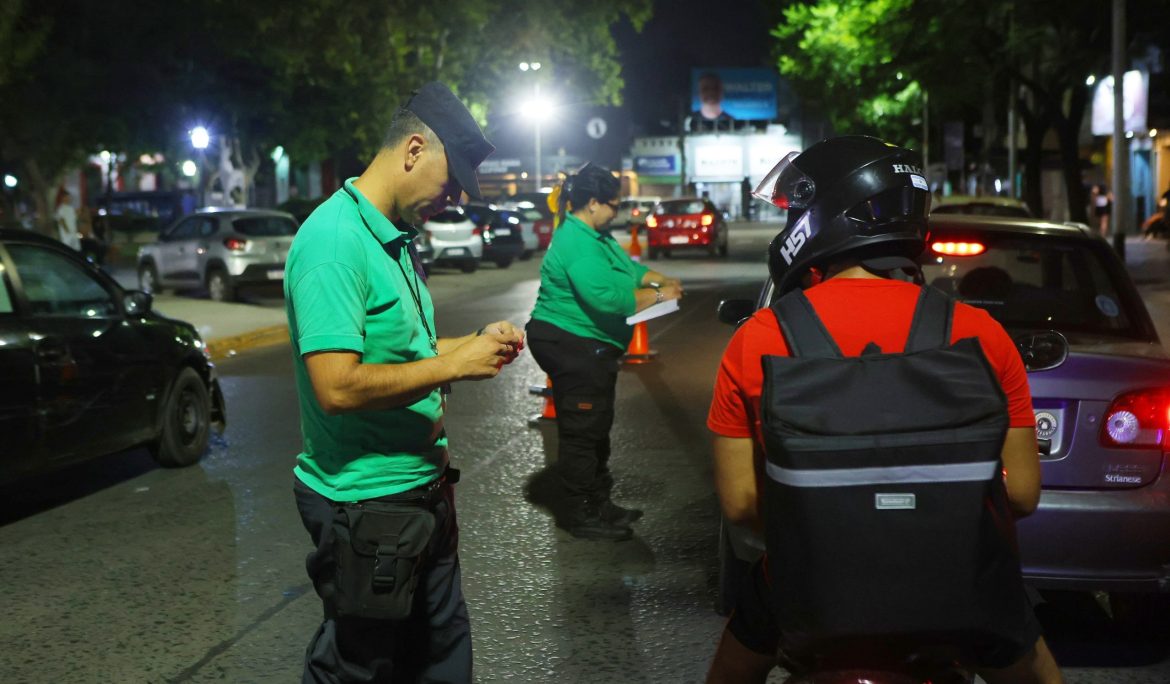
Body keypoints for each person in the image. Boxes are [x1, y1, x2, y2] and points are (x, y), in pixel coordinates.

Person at [704, 136, 1062, 683]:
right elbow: (1022, 495)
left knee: (731, 674)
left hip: (810, 586)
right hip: (958, 584)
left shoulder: (759, 337)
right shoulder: (980, 333)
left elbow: (740, 505)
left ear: (822, 215)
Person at [285, 81, 524, 683]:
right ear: (414, 149)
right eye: (449, 183)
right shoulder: (334, 243)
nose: (449, 199)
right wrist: (451, 366)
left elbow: (403, 353)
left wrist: (471, 348)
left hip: (421, 492)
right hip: (368, 504)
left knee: (440, 655)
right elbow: (336, 386)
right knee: (359, 667)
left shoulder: (389, 237)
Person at [526, 162, 683, 540]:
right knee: (582, 431)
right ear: (593, 203)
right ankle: (580, 513)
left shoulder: (596, 236)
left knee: (597, 427)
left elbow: (628, 272)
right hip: (571, 343)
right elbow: (608, 299)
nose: (618, 211)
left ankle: (600, 503)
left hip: (590, 345)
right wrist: (661, 294)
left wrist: (659, 280)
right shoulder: (576, 241)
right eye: (613, 204)